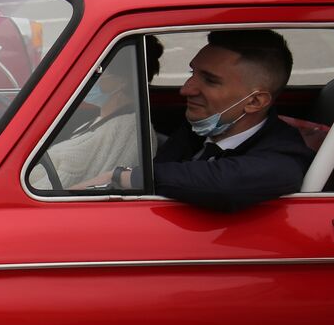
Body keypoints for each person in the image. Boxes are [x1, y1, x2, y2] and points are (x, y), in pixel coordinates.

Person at [113, 29, 313, 212]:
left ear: (254, 101)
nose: (186, 89)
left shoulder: (283, 157)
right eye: (193, 73)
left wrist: (125, 177)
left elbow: (225, 183)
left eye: (210, 80)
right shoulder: (197, 129)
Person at [30, 37, 161, 190]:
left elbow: (55, 189)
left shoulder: (130, 131)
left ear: (122, 81)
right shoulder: (103, 119)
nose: (86, 78)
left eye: (96, 72)